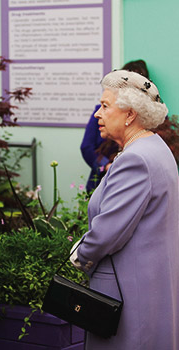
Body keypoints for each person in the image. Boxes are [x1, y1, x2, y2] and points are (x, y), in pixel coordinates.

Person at [71, 70, 179, 349]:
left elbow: (107, 232)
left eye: (105, 106)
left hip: (127, 296)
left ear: (129, 114)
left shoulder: (137, 159)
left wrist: (80, 255)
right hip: (149, 286)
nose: (97, 113)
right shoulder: (154, 146)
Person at [81, 60, 149, 192]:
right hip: (100, 182)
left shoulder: (151, 119)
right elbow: (86, 147)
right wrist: (107, 166)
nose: (99, 114)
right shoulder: (100, 113)